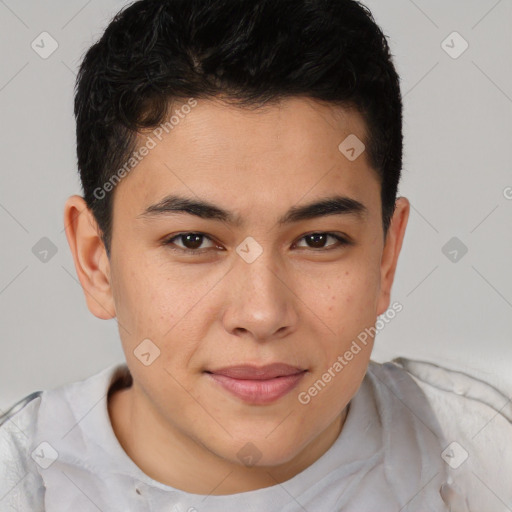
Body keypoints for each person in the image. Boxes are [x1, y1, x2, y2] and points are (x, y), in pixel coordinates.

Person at [1, 0, 511, 510]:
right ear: (97, 261)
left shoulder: (485, 457)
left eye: (318, 240)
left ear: (386, 257)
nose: (262, 314)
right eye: (193, 241)